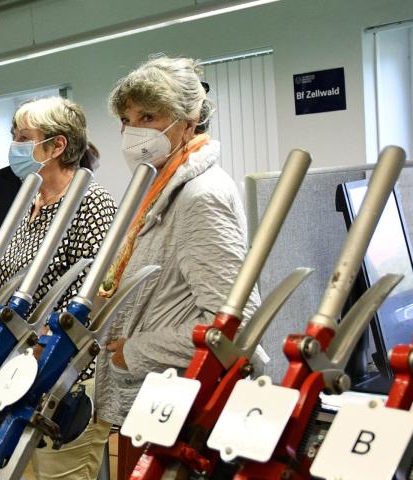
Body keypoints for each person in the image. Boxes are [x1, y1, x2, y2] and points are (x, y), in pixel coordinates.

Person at [93, 56, 259, 477]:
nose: (134, 131)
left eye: (149, 116)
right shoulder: (159, 187)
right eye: (127, 119)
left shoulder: (200, 196)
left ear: (190, 120)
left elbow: (234, 324)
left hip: (183, 408)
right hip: (153, 403)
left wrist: (135, 351)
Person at [0, 98, 117, 479]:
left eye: (24, 138)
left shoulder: (91, 203)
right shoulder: (32, 201)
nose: (15, 146)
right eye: (14, 137)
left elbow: (94, 296)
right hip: (20, 373)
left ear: (57, 146)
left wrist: (41, 347)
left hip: (67, 374)